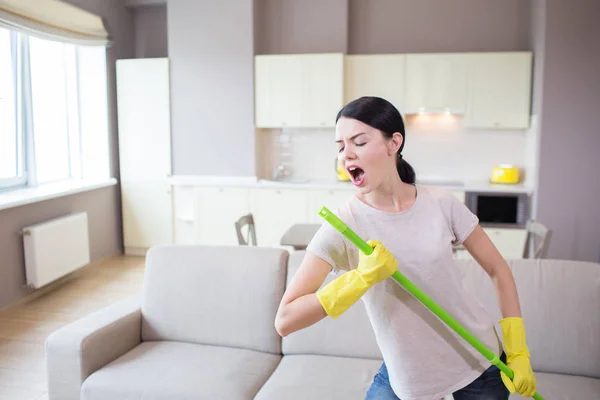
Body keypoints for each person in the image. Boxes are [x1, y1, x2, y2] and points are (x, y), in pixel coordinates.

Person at [274, 96, 537, 400]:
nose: (347, 155)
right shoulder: (343, 225)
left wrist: (518, 351)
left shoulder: (440, 203)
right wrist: (359, 279)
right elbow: (285, 320)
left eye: (359, 142)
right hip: (408, 376)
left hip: (480, 361)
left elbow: (498, 269)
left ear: (393, 142)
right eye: (340, 146)